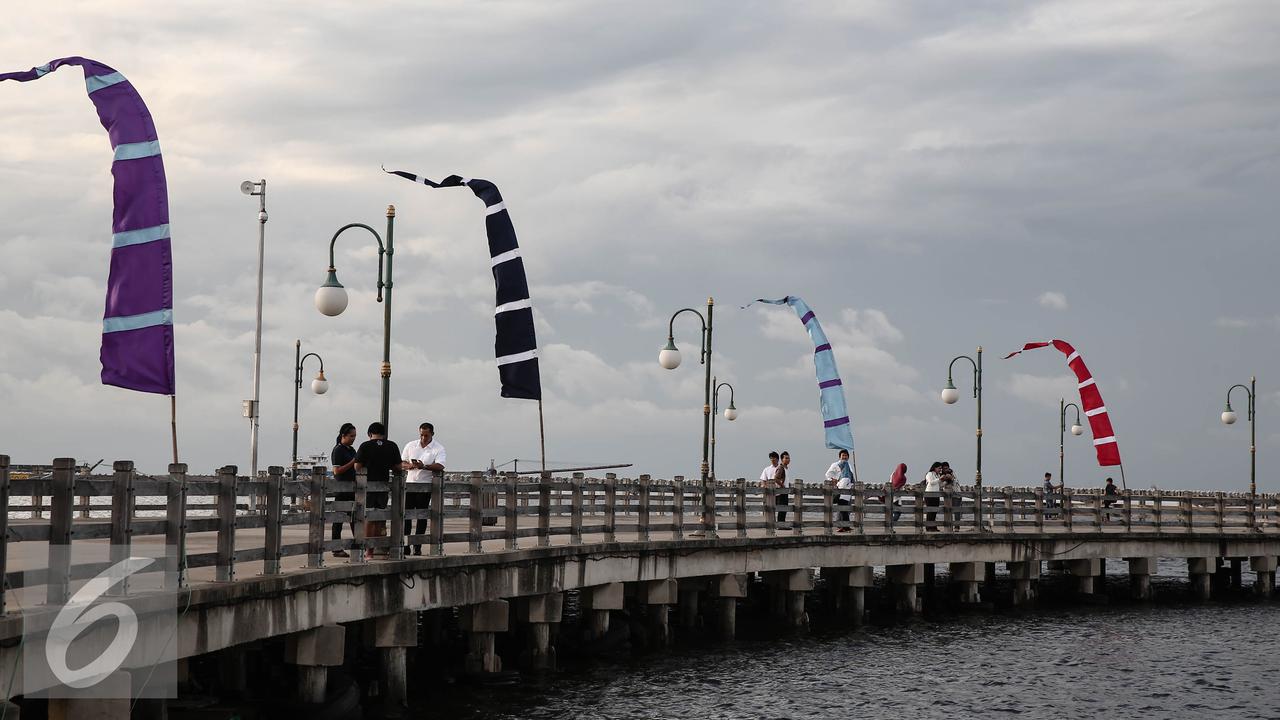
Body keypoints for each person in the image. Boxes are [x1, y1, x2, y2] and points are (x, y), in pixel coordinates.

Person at [354, 422, 402, 559]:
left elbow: (357, 466)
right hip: (384, 485)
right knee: (381, 517)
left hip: (367, 485)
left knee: (368, 517)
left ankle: (369, 551)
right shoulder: (391, 445)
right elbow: (398, 467)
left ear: (369, 434)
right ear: (384, 434)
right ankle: (381, 548)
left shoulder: (365, 446)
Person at [401, 422, 447, 556]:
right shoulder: (411, 445)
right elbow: (401, 462)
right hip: (409, 485)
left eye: (426, 435)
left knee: (422, 517)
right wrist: (409, 465)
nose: (423, 438)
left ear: (432, 434)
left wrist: (424, 466)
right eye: (421, 435)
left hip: (425, 487)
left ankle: (417, 546)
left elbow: (440, 465)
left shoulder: (438, 448)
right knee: (406, 517)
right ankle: (405, 545)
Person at [329, 423, 358, 558]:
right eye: (351, 436)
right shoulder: (338, 450)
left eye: (354, 436)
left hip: (352, 488)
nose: (353, 438)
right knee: (339, 519)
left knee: (355, 518)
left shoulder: (351, 450)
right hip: (341, 489)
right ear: (343, 435)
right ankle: (336, 548)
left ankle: (358, 543)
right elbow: (337, 471)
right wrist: (353, 462)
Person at [826, 450, 855, 532]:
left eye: (846, 456)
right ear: (840, 456)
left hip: (847, 488)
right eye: (843, 455)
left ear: (848, 457)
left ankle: (846, 526)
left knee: (845, 507)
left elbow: (851, 477)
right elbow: (828, 474)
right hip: (839, 487)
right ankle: (840, 525)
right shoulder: (835, 464)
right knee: (841, 506)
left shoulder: (848, 465)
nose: (844, 457)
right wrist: (833, 480)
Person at [923, 461, 943, 531]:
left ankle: (933, 526)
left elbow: (940, 485)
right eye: (939, 468)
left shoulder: (938, 475)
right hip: (929, 495)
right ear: (935, 468)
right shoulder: (929, 474)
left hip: (936, 495)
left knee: (935, 511)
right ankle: (928, 527)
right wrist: (940, 479)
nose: (940, 470)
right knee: (930, 511)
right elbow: (931, 482)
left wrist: (946, 480)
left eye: (941, 468)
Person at [775, 451, 792, 525]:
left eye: (789, 458)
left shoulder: (786, 468)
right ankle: (780, 524)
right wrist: (782, 486)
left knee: (784, 508)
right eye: (786, 458)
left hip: (785, 491)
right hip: (782, 492)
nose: (788, 459)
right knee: (782, 508)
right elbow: (775, 478)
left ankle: (782, 524)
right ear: (782, 459)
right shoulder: (781, 468)